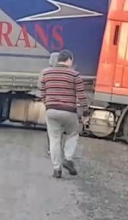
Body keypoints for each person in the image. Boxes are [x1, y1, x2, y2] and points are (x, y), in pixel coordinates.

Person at [38, 49, 88, 178]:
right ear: (69, 60)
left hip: (51, 110)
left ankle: (56, 169)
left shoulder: (47, 74)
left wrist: (48, 105)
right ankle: (68, 158)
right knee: (72, 134)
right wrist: (85, 112)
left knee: (54, 139)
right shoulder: (74, 75)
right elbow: (81, 96)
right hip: (69, 111)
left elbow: (42, 93)